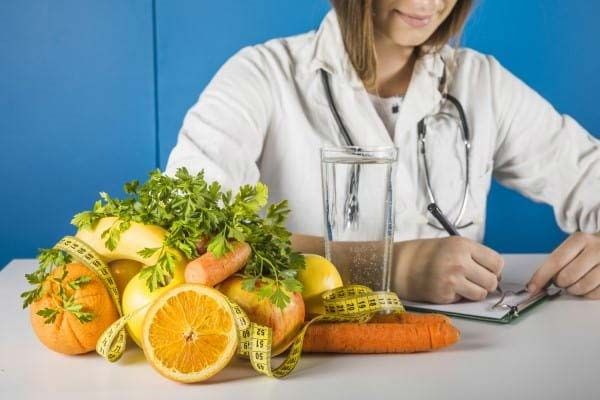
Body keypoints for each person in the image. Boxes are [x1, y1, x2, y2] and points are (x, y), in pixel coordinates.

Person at [165, 0, 600, 303]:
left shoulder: (481, 84)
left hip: (457, 368)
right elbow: (187, 232)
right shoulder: (261, 76)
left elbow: (589, 174)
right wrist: (391, 268)